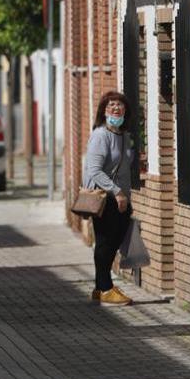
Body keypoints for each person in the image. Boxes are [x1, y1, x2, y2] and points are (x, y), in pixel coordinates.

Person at [82, 91, 136, 306]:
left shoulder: (124, 136)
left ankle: (99, 287)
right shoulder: (100, 135)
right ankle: (105, 288)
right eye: (111, 105)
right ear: (104, 111)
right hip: (106, 198)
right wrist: (117, 192)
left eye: (120, 105)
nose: (116, 108)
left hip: (121, 198)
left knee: (113, 241)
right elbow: (95, 170)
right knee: (106, 243)